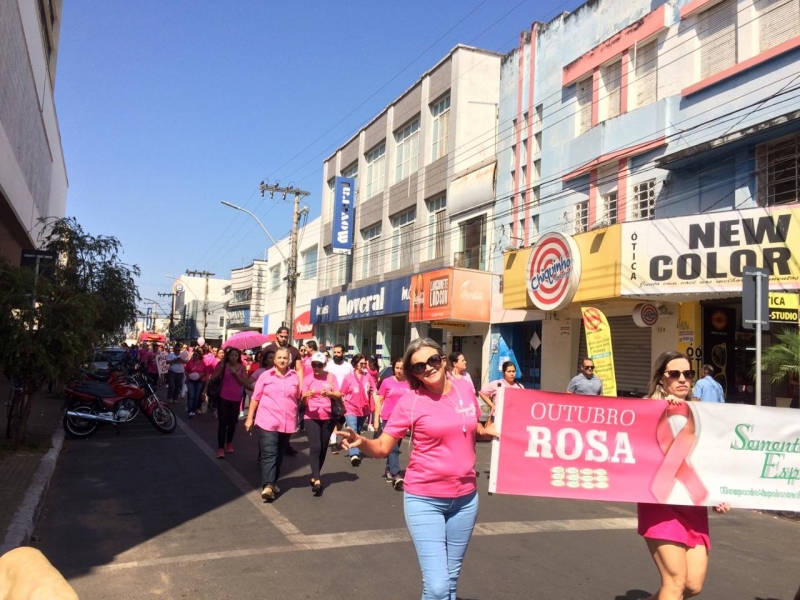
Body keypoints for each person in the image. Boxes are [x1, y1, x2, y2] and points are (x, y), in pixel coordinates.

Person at [339, 338, 498, 600]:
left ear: (443, 359)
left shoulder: (465, 389)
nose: (428, 368)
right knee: (437, 586)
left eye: (433, 360)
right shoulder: (411, 401)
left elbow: (471, 427)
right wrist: (361, 442)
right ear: (413, 373)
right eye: (419, 367)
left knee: (449, 581)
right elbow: (381, 448)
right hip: (425, 500)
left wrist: (487, 431)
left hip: (466, 499)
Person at [638, 350, 730, 600]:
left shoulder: (703, 414)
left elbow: (713, 459)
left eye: (687, 374)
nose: (682, 379)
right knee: (675, 581)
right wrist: (663, 408)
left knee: (692, 585)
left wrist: (719, 495)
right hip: (661, 504)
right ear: (661, 379)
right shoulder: (646, 410)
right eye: (674, 374)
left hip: (692, 505)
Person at [245, 347, 300, 502]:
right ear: (274, 360)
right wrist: (250, 418)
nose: (282, 360)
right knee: (269, 453)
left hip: (287, 422)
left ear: (289, 360)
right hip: (266, 421)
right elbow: (255, 398)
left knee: (279, 454)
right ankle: (268, 486)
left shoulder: (294, 377)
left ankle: (272, 482)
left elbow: (296, 397)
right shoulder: (265, 376)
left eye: (285, 358)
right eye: (279, 358)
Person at [300, 352, 342, 495]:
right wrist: (306, 396)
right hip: (310, 415)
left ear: (324, 365)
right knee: (315, 446)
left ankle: (315, 473)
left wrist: (328, 394)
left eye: (319, 365)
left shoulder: (331, 377)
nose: (316, 368)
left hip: (328, 416)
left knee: (323, 447)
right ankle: (317, 479)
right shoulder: (307, 379)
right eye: (314, 365)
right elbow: (303, 400)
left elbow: (338, 394)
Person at [262, 326, 305, 455]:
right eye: (282, 336)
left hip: (289, 389)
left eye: (286, 337)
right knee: (271, 419)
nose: (284, 338)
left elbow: (299, 369)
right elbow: (262, 367)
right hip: (272, 389)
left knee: (288, 416)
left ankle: (285, 444)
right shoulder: (268, 349)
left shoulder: (294, 350)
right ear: (277, 336)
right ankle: (266, 449)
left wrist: (300, 387)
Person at [373, 356, 410, 490]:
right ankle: (396, 474)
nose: (399, 371)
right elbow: (379, 401)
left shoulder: (409, 383)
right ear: (393, 368)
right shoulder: (387, 382)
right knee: (393, 448)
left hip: (403, 420)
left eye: (402, 368)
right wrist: (376, 420)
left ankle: (388, 470)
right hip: (388, 418)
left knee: (394, 447)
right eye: (397, 368)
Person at [205, 347, 249, 458]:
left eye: (236, 355)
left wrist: (235, 374)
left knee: (232, 423)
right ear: (227, 356)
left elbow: (244, 382)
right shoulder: (222, 366)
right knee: (223, 423)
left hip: (236, 399)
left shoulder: (242, 367)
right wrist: (204, 391)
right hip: (223, 397)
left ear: (239, 357)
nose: (233, 357)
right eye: (231, 355)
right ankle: (220, 448)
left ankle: (229, 442)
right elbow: (212, 378)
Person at [339, 354, 375, 467]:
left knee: (358, 430)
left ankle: (355, 446)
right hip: (350, 407)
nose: (364, 366)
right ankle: (354, 454)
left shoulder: (367, 376)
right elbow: (342, 393)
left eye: (365, 363)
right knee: (353, 429)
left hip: (364, 408)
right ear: (355, 364)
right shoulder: (348, 377)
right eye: (361, 364)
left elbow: (374, 389)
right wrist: (342, 406)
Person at [326, 343, 354, 452]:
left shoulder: (348, 366)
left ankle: (333, 436)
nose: (336, 354)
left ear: (343, 353)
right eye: (335, 352)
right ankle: (333, 441)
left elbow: (352, 380)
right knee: (334, 418)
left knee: (341, 419)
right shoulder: (329, 365)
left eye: (339, 352)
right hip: (332, 396)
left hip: (345, 397)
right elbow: (326, 379)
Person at [184, 348, 210, 417]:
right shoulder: (190, 362)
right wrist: (188, 375)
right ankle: (190, 411)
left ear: (199, 356)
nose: (194, 356)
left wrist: (202, 374)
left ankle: (194, 409)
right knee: (191, 395)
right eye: (193, 355)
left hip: (199, 381)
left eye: (195, 355)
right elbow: (186, 371)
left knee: (196, 396)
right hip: (191, 381)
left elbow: (206, 372)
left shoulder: (203, 363)